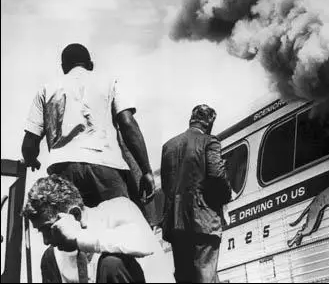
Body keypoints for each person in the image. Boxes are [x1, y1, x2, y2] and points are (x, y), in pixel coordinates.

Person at [21, 43, 155, 210]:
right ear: (91, 65)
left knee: (69, 230)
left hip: (63, 168)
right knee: (116, 226)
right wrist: (146, 170)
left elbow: (29, 143)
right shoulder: (110, 83)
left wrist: (31, 159)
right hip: (105, 164)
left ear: (64, 68)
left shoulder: (46, 90)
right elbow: (128, 124)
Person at [21, 174, 174, 283]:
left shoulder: (119, 208)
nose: (46, 240)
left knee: (111, 264)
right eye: (41, 232)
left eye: (48, 229)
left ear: (75, 214)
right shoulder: (53, 257)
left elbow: (144, 245)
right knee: (49, 258)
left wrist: (78, 238)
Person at [160, 104, 232, 283]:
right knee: (204, 275)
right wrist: (225, 197)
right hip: (203, 222)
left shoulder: (168, 146)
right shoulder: (210, 141)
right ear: (209, 122)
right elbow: (217, 177)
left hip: (175, 224)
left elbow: (166, 186)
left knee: (185, 278)